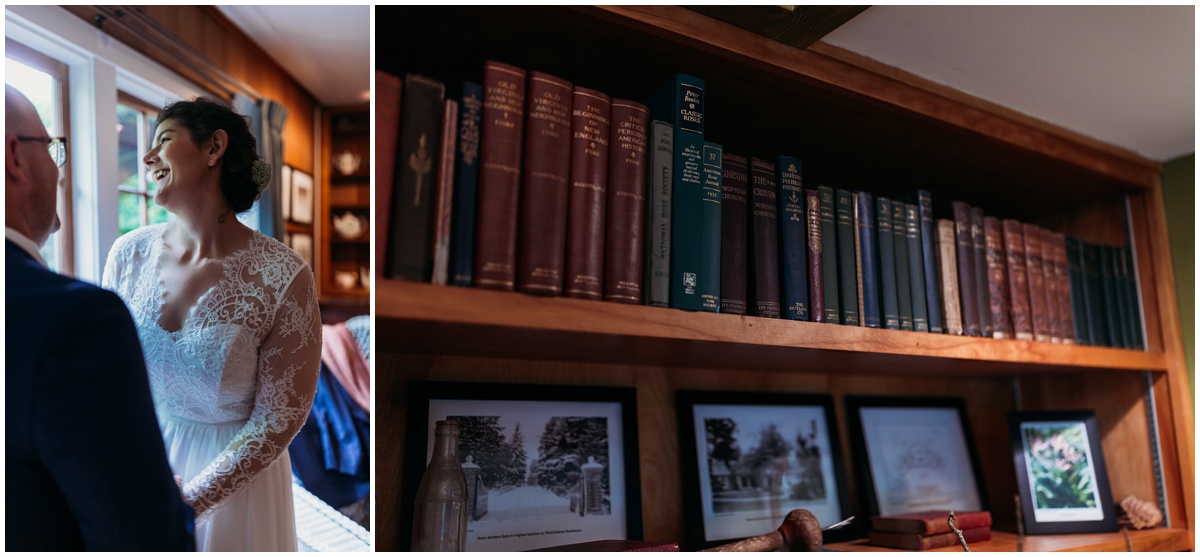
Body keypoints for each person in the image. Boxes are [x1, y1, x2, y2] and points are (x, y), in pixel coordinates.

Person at [102, 96, 322, 551]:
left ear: (213, 148)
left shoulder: (284, 276)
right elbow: (110, 377)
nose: (147, 157)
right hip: (148, 458)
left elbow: (280, 416)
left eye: (163, 139)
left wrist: (191, 500)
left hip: (238, 486)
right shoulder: (128, 255)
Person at [5, 84, 196, 551]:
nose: (59, 167)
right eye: (53, 148)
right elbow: (143, 537)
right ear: (14, 158)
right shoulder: (77, 318)